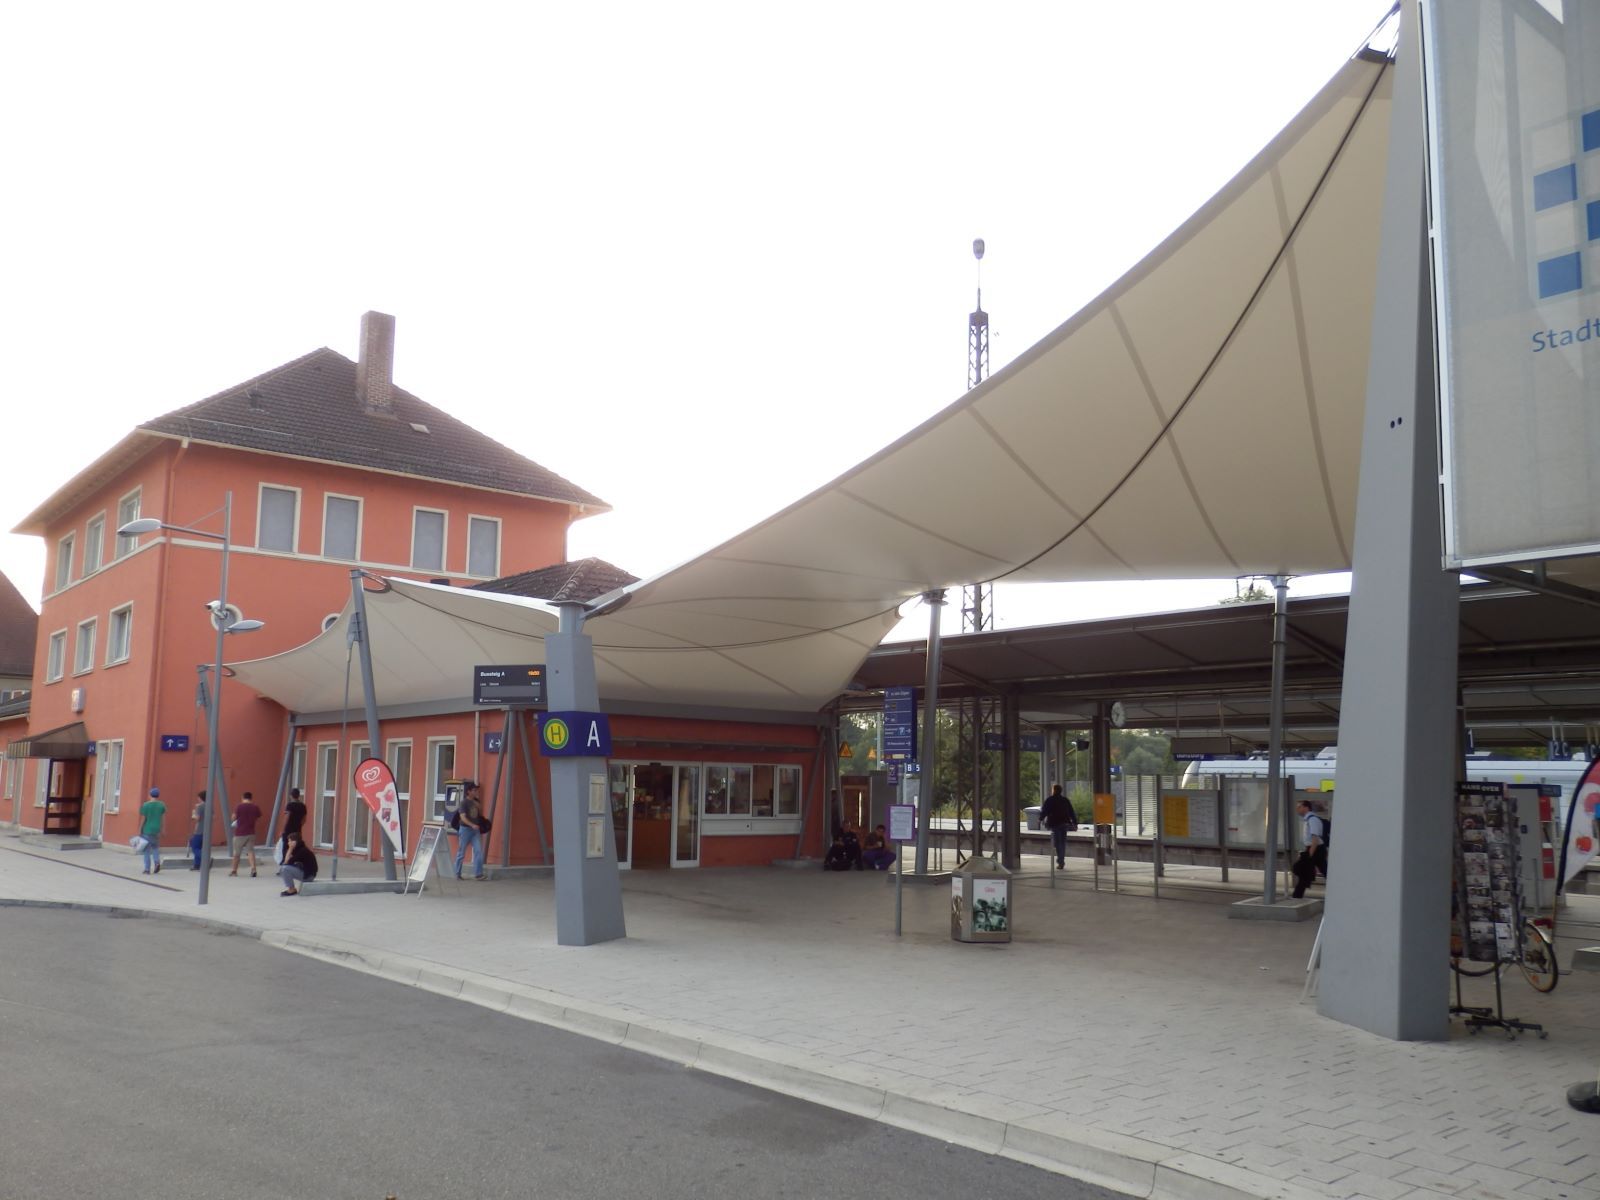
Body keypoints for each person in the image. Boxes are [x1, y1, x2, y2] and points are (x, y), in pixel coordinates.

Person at [1291, 799, 1328, 899]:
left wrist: (1309, 855)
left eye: (1299, 807)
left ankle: (1297, 896)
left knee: (1303, 871)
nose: (1297, 809)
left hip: (1316, 849)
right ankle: (1297, 895)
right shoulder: (1308, 819)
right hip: (1313, 849)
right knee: (1306, 872)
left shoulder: (1313, 819)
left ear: (1306, 807)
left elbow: (1315, 839)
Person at [453, 781, 487, 880]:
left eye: (476, 790)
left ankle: (478, 874)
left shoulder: (476, 801)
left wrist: (477, 804)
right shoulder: (464, 803)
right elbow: (462, 817)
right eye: (474, 790)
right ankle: (457, 873)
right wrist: (472, 825)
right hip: (465, 830)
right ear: (468, 791)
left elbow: (480, 812)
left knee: (478, 851)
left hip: (475, 831)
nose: (476, 792)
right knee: (461, 852)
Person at [1039, 783, 1079, 869]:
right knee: (1062, 843)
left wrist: (1040, 819)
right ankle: (1061, 860)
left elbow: (1045, 810)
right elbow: (1071, 812)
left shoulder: (1050, 800)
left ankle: (1061, 861)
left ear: (1054, 790)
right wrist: (1075, 823)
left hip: (1055, 823)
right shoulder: (1065, 800)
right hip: (1064, 824)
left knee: (1057, 843)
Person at [229, 790, 263, 877]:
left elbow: (233, 818)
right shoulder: (255, 807)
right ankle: (253, 869)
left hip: (240, 832)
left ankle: (234, 871)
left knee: (237, 853)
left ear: (243, 797)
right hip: (251, 832)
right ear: (251, 798)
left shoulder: (239, 806)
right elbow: (258, 817)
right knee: (250, 851)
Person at [278, 831, 318, 896]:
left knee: (285, 869)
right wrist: (290, 849)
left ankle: (292, 889)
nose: (288, 843)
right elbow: (286, 862)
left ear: (295, 842)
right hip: (306, 873)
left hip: (308, 876)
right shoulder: (298, 849)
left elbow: (286, 863)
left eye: (290, 841)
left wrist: (290, 849)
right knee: (283, 868)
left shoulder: (302, 851)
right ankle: (291, 888)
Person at [138, 787, 166, 874]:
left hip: (147, 829)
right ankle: (157, 862)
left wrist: (140, 829)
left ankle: (147, 869)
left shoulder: (146, 805)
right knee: (155, 848)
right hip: (156, 829)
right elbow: (163, 818)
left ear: (150, 794)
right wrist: (163, 829)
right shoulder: (162, 805)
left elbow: (143, 819)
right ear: (158, 795)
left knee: (146, 850)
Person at [279, 787, 307, 862]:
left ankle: (284, 863)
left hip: (288, 830)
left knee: (285, 847)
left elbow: (286, 818)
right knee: (297, 847)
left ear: (291, 795)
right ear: (298, 795)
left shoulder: (289, 805)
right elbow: (304, 819)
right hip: (297, 830)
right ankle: (295, 862)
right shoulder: (303, 806)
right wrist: (299, 825)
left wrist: (282, 830)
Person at [188, 791, 206, 870]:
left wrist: (193, 814)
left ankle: (205, 859)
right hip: (206, 830)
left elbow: (197, 818)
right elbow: (214, 817)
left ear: (200, 798)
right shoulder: (209, 806)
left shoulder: (200, 806)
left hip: (199, 830)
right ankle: (197, 865)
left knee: (194, 847)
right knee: (199, 847)